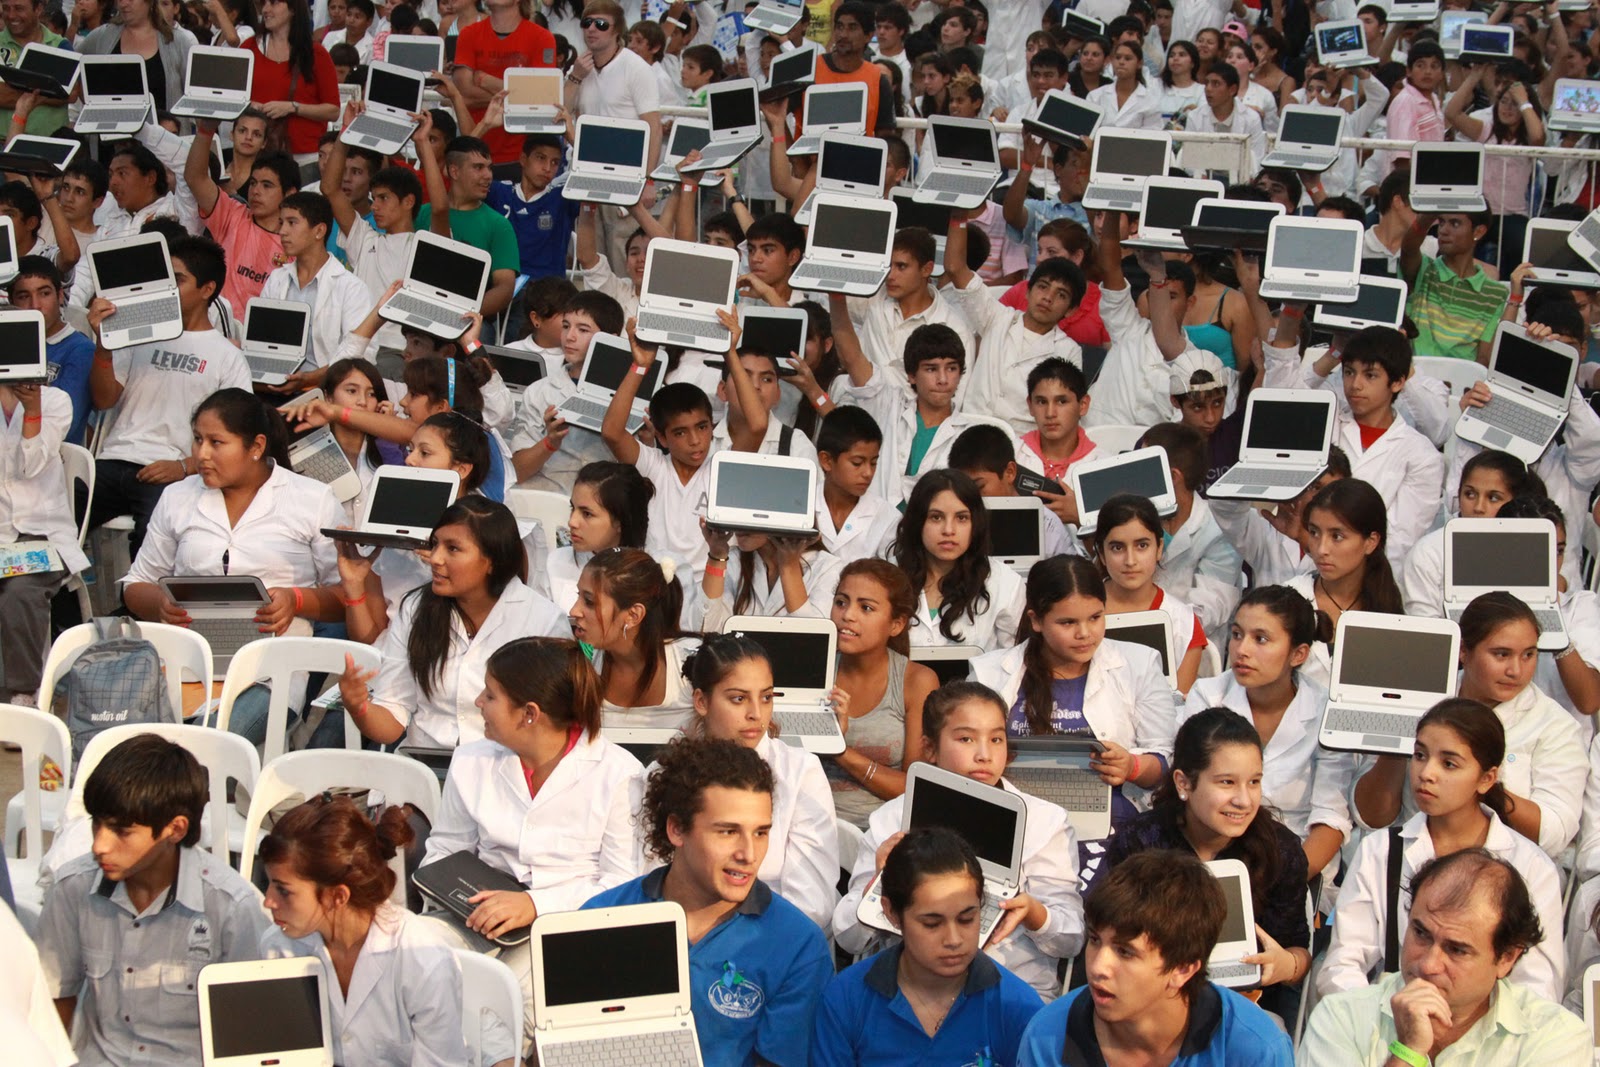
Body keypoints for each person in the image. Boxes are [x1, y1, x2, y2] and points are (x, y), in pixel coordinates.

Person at [422, 637, 641, 1034]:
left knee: (507, 1010)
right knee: (411, 955)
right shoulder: (470, 760)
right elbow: (444, 849)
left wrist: (534, 905)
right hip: (471, 916)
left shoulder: (619, 774)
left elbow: (622, 883)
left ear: (529, 714)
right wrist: (459, 896)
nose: (478, 703)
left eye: (490, 695)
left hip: (565, 928)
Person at [584, 736, 834, 1067]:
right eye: (727, 832)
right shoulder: (599, 920)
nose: (749, 854)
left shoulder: (799, 947)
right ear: (676, 829)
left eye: (761, 832)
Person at [835, 681, 1084, 1000]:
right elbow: (849, 938)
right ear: (930, 748)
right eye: (966, 738)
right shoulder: (892, 819)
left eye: (996, 738)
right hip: (909, 986)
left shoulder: (1044, 821)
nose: (984, 755)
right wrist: (881, 880)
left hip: (1010, 986)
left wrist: (1035, 913)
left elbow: (1072, 938)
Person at [37, 735, 270, 1065]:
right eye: (97, 824)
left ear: (175, 830)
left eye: (121, 830)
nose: (99, 845)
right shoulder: (72, 889)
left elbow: (249, 1037)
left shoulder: (232, 908)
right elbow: (55, 999)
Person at [1321, 698, 1565, 1004]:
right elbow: (1343, 963)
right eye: (1420, 756)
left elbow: (1537, 986)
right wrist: (1377, 1017)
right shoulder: (1380, 849)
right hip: (1388, 1021)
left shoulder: (1531, 866)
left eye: (1448, 763)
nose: (1427, 773)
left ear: (1486, 778)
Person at [1352, 592, 1588, 861]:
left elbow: (1554, 833)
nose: (1516, 670)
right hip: (1409, 863)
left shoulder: (1555, 725)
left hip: (1508, 871)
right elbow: (1370, 817)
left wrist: (1480, 783)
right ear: (1464, 651)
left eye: (1529, 655)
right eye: (1501, 654)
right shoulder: (1418, 699)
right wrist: (1396, 744)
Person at [1105, 709, 1310, 1017]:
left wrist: (1287, 965)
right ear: (1184, 783)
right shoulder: (1141, 842)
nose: (1244, 800)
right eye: (1227, 782)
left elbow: (1299, 951)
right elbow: (1114, 939)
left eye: (1254, 782)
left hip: (1246, 1008)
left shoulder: (1280, 850)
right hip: (1150, 1001)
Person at [1299, 849, 1586, 1065]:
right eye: (1421, 934)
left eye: (1457, 949)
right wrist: (1407, 1051)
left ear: (1507, 958)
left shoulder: (1556, 1036)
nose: (1428, 964)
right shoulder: (1341, 1017)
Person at [1015, 849, 1294, 1066]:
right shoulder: (1047, 1035)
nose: (1099, 967)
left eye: (1125, 952)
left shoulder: (1254, 1049)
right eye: (1095, 940)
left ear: (1183, 969)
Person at [258, 796, 477, 1066]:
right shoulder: (277, 949)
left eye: (283, 890)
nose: (268, 901)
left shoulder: (422, 961)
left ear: (337, 896)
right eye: (268, 885)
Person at [333, 496, 567, 747]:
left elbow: (552, 726)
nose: (435, 558)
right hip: (424, 764)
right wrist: (359, 707)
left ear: (492, 560)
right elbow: (392, 718)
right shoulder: (416, 608)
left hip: (505, 768)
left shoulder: (544, 621)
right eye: (435, 545)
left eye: (453, 548)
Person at [812, 827, 1045, 1065]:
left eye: (967, 919)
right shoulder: (845, 1000)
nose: (954, 939)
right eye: (932, 923)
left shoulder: (1017, 1007)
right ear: (891, 912)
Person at [86, 235, 252, 555]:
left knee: (153, 543)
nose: (167, 288)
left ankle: (136, 606)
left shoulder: (228, 357)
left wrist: (185, 467)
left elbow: (238, 434)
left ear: (207, 290)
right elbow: (104, 400)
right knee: (51, 520)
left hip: (169, 473)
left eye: (177, 280)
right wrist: (103, 346)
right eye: (165, 278)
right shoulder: (135, 334)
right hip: (111, 461)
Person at [1184, 587, 1354, 877]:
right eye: (1237, 635)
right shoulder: (1208, 697)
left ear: (1298, 654)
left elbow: (1330, 819)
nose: (1241, 650)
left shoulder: (1328, 712)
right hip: (1209, 862)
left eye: (1260, 639)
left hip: (1294, 865)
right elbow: (1187, 797)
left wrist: (1284, 882)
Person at [677, 633, 839, 928]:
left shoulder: (801, 772)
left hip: (775, 943)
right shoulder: (667, 775)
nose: (756, 714)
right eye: (738, 699)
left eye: (766, 697)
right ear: (701, 701)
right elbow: (647, 878)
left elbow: (814, 905)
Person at [941, 209, 1083, 436]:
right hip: (966, 431)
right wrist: (959, 215)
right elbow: (955, 268)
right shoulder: (997, 317)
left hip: (1021, 442)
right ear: (1027, 291)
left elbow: (1059, 412)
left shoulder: (1069, 351)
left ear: (1071, 310)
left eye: (1061, 295)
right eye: (1043, 287)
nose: (1048, 298)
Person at [829, 559, 938, 828]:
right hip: (810, 828)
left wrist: (837, 748)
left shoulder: (917, 681)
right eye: (841, 602)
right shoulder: (813, 669)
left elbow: (916, 787)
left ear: (896, 625)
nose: (847, 615)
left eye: (866, 608)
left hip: (882, 834)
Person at [0, 376, 88, 706]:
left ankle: (23, 693)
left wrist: (32, 410)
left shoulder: (54, 401)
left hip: (43, 533)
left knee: (20, 592)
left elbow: (32, 464)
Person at [890, 470, 1025, 652]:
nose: (948, 530)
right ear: (917, 521)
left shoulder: (1005, 583)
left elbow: (1016, 659)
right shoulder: (886, 578)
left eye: (962, 518)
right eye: (936, 517)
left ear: (975, 523)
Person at [572, 546, 700, 730]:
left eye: (590, 602)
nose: (574, 611)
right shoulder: (581, 664)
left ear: (633, 615)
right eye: (579, 597)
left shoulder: (693, 664)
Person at [1091, 494, 1208, 693]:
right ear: (1101, 553)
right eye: (1117, 548)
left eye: (1142, 546)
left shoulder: (1183, 623)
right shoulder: (1079, 612)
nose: (1130, 560)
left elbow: (1178, 704)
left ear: (1159, 548)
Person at [184, 124, 297, 319]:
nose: (256, 191)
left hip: (263, 338)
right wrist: (205, 130)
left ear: (289, 194)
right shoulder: (232, 214)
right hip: (219, 329)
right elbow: (195, 178)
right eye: (253, 183)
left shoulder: (298, 242)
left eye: (267, 185)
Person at [258, 192, 370, 372]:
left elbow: (362, 355)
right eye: (281, 223)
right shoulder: (276, 279)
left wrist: (313, 379)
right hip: (275, 375)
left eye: (292, 222)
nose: (282, 231)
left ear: (319, 231)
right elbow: (261, 340)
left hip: (326, 386)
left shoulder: (351, 287)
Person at [415, 136, 520, 320]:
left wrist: (464, 314)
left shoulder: (499, 225)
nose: (488, 175)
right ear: (454, 171)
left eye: (489, 167)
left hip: (472, 320)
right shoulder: (423, 214)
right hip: (420, 311)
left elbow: (504, 288)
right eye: (478, 167)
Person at [9, 258, 93, 446]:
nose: (35, 305)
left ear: (60, 295)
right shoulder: (7, 346)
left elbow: (66, 425)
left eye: (44, 293)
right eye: (23, 296)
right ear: (11, 301)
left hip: (54, 458)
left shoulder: (81, 349)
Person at [244, 0, 340, 162]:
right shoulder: (249, 48)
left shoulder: (316, 53)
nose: (266, 9)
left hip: (305, 156)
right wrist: (250, 105)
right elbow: (232, 96)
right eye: (264, 3)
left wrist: (293, 107)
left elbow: (333, 110)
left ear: (293, 9)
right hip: (259, 152)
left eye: (274, 3)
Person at [76, 0, 196, 120]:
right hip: (111, 132)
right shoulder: (103, 35)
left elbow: (194, 94)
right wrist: (90, 102)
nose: (123, 4)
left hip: (162, 135)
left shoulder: (178, 42)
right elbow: (72, 64)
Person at [814, 405, 899, 565]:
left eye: (873, 463)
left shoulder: (888, 518)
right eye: (857, 463)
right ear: (826, 460)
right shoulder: (802, 507)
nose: (868, 472)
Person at [1086, 39, 1163, 130]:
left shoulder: (1150, 101)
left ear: (1139, 63)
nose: (1121, 62)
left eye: (1128, 58)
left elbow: (1152, 136)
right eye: (1118, 57)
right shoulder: (1095, 96)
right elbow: (1087, 130)